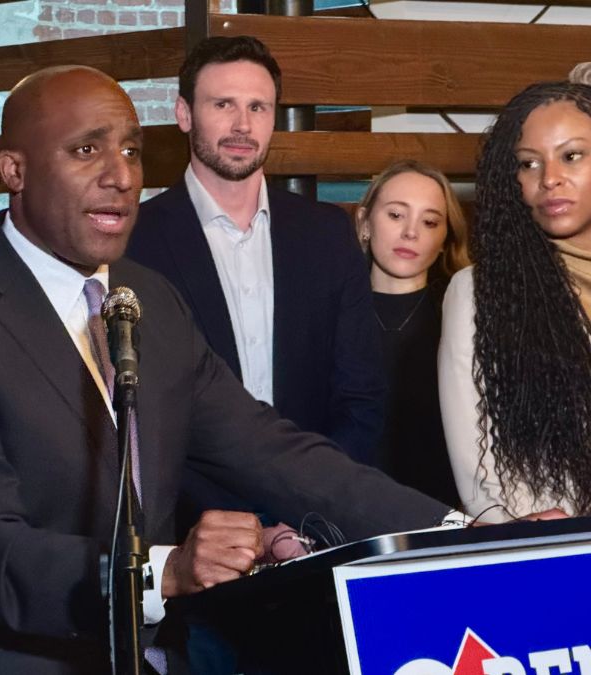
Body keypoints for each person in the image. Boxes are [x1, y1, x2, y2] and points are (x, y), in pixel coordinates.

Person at [0, 64, 451, 674]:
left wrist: (458, 530)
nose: (120, 176)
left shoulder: (151, 299)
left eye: (131, 150)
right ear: (14, 170)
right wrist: (164, 571)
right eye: (86, 149)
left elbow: (274, 452)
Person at [127, 36, 384, 478]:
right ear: (184, 114)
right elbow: (138, 417)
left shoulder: (326, 233)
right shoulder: (136, 241)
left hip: (321, 512)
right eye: (223, 104)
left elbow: (361, 396)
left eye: (258, 107)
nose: (243, 125)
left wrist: (312, 509)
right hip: (196, 525)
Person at [439, 81, 591, 522]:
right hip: (550, 560)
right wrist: (512, 538)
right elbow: (478, 478)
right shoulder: (479, 292)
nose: (550, 179)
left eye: (572, 155)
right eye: (528, 163)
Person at [356, 160, 470, 507]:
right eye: (395, 215)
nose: (411, 233)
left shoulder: (464, 316)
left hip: (447, 519)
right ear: (364, 223)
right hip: (347, 516)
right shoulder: (329, 310)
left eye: (430, 221)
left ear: (444, 239)